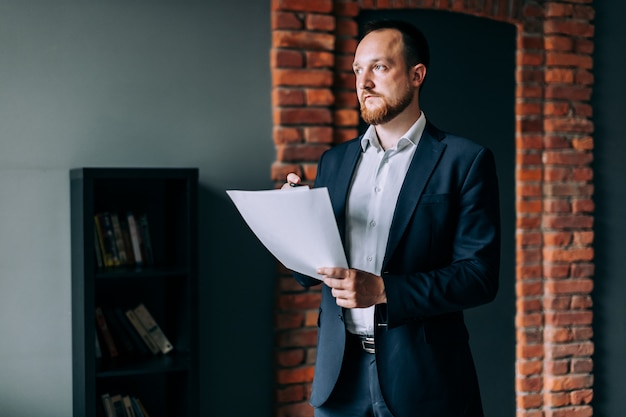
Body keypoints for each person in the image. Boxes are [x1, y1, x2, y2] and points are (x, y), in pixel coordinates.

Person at [282, 19, 500, 417]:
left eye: (379, 68)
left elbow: (479, 277)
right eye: (357, 70)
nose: (363, 83)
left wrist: (383, 290)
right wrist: (295, 221)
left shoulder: (465, 161)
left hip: (426, 381)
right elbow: (310, 274)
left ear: (417, 75)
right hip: (338, 380)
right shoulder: (334, 161)